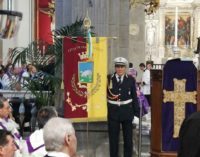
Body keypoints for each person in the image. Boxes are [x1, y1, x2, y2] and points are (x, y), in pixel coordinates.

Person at [107, 57, 139, 157]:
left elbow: (134, 97)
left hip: (127, 113)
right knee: (113, 140)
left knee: (128, 140)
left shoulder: (130, 79)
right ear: (115, 67)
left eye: (122, 66)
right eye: (117, 66)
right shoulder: (108, 79)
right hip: (113, 113)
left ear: (125, 68)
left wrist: (136, 115)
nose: (119, 69)